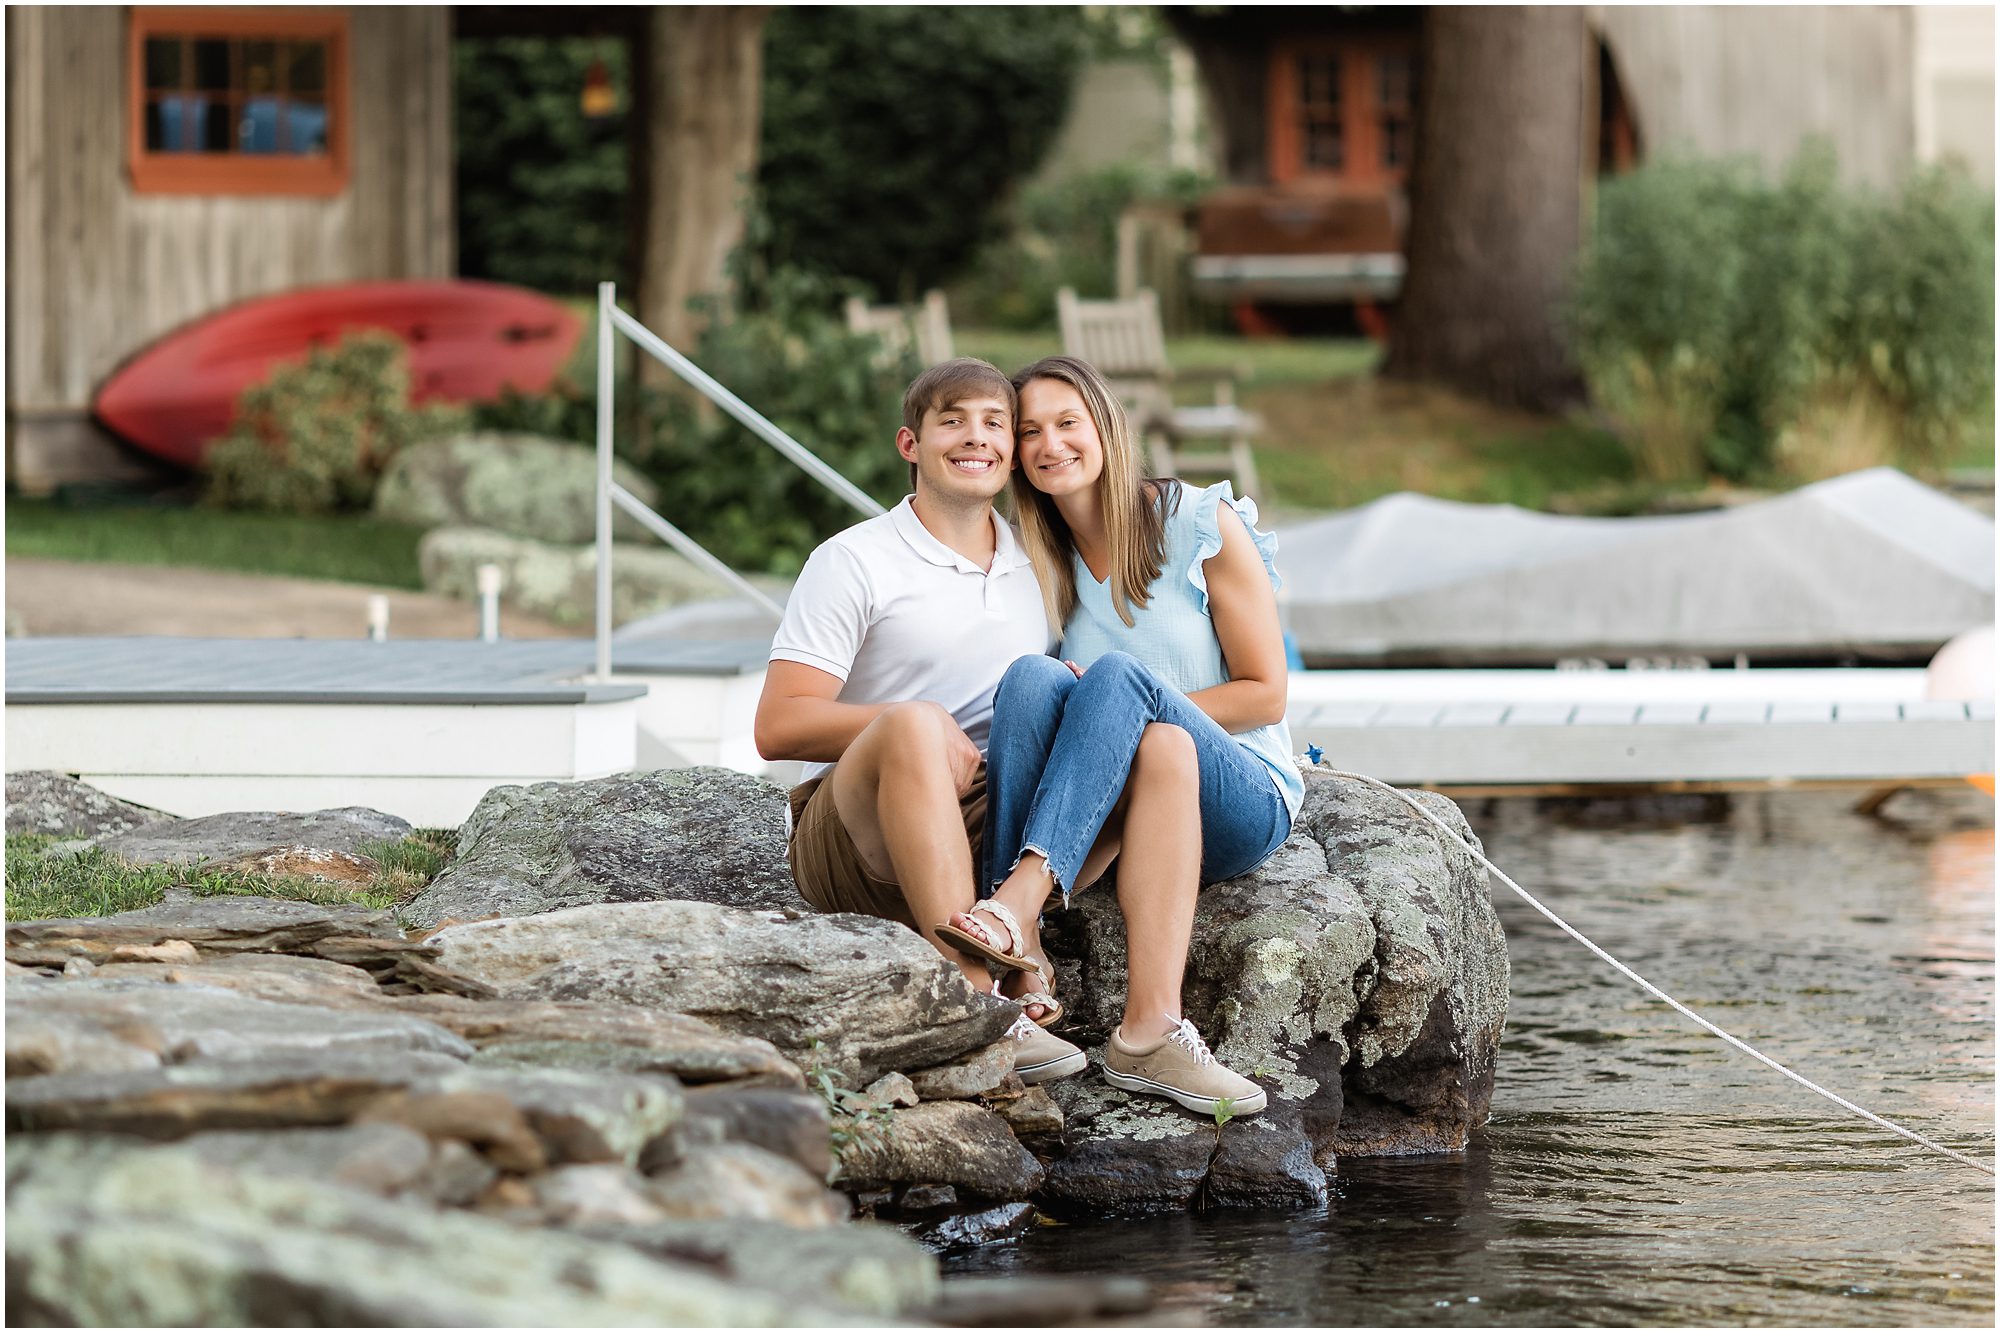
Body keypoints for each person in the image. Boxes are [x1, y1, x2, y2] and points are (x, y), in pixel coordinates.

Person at [935, 354, 1303, 1118]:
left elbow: (1267, 691)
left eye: (1067, 423)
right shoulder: (1038, 560)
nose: (1049, 444)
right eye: (1030, 430)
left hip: (1239, 792)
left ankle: (1016, 906)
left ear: (1106, 426)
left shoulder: (1199, 523)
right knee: (1035, 679)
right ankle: (1113, 1019)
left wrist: (1133, 699)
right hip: (1135, 791)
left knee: (1120, 685)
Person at [753, 357, 1092, 1085]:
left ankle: (1017, 926)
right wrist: (921, 720)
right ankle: (974, 997)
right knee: (910, 726)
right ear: (911, 445)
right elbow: (777, 725)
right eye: (953, 420)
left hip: (982, 819)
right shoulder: (853, 560)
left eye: (994, 423)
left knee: (1137, 742)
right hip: (856, 828)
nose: (977, 438)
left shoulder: (1041, 563)